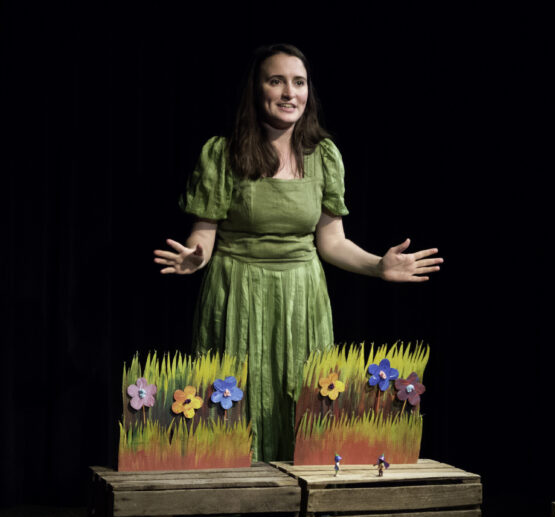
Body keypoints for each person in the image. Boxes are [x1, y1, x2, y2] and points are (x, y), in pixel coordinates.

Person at [154, 44, 442, 462]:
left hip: (301, 299)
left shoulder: (322, 156)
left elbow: (332, 242)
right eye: (277, 81)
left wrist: (379, 266)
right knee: (233, 408)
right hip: (237, 292)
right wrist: (195, 256)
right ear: (257, 90)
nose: (290, 92)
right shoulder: (223, 153)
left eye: (299, 82)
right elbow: (204, 236)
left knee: (305, 408)